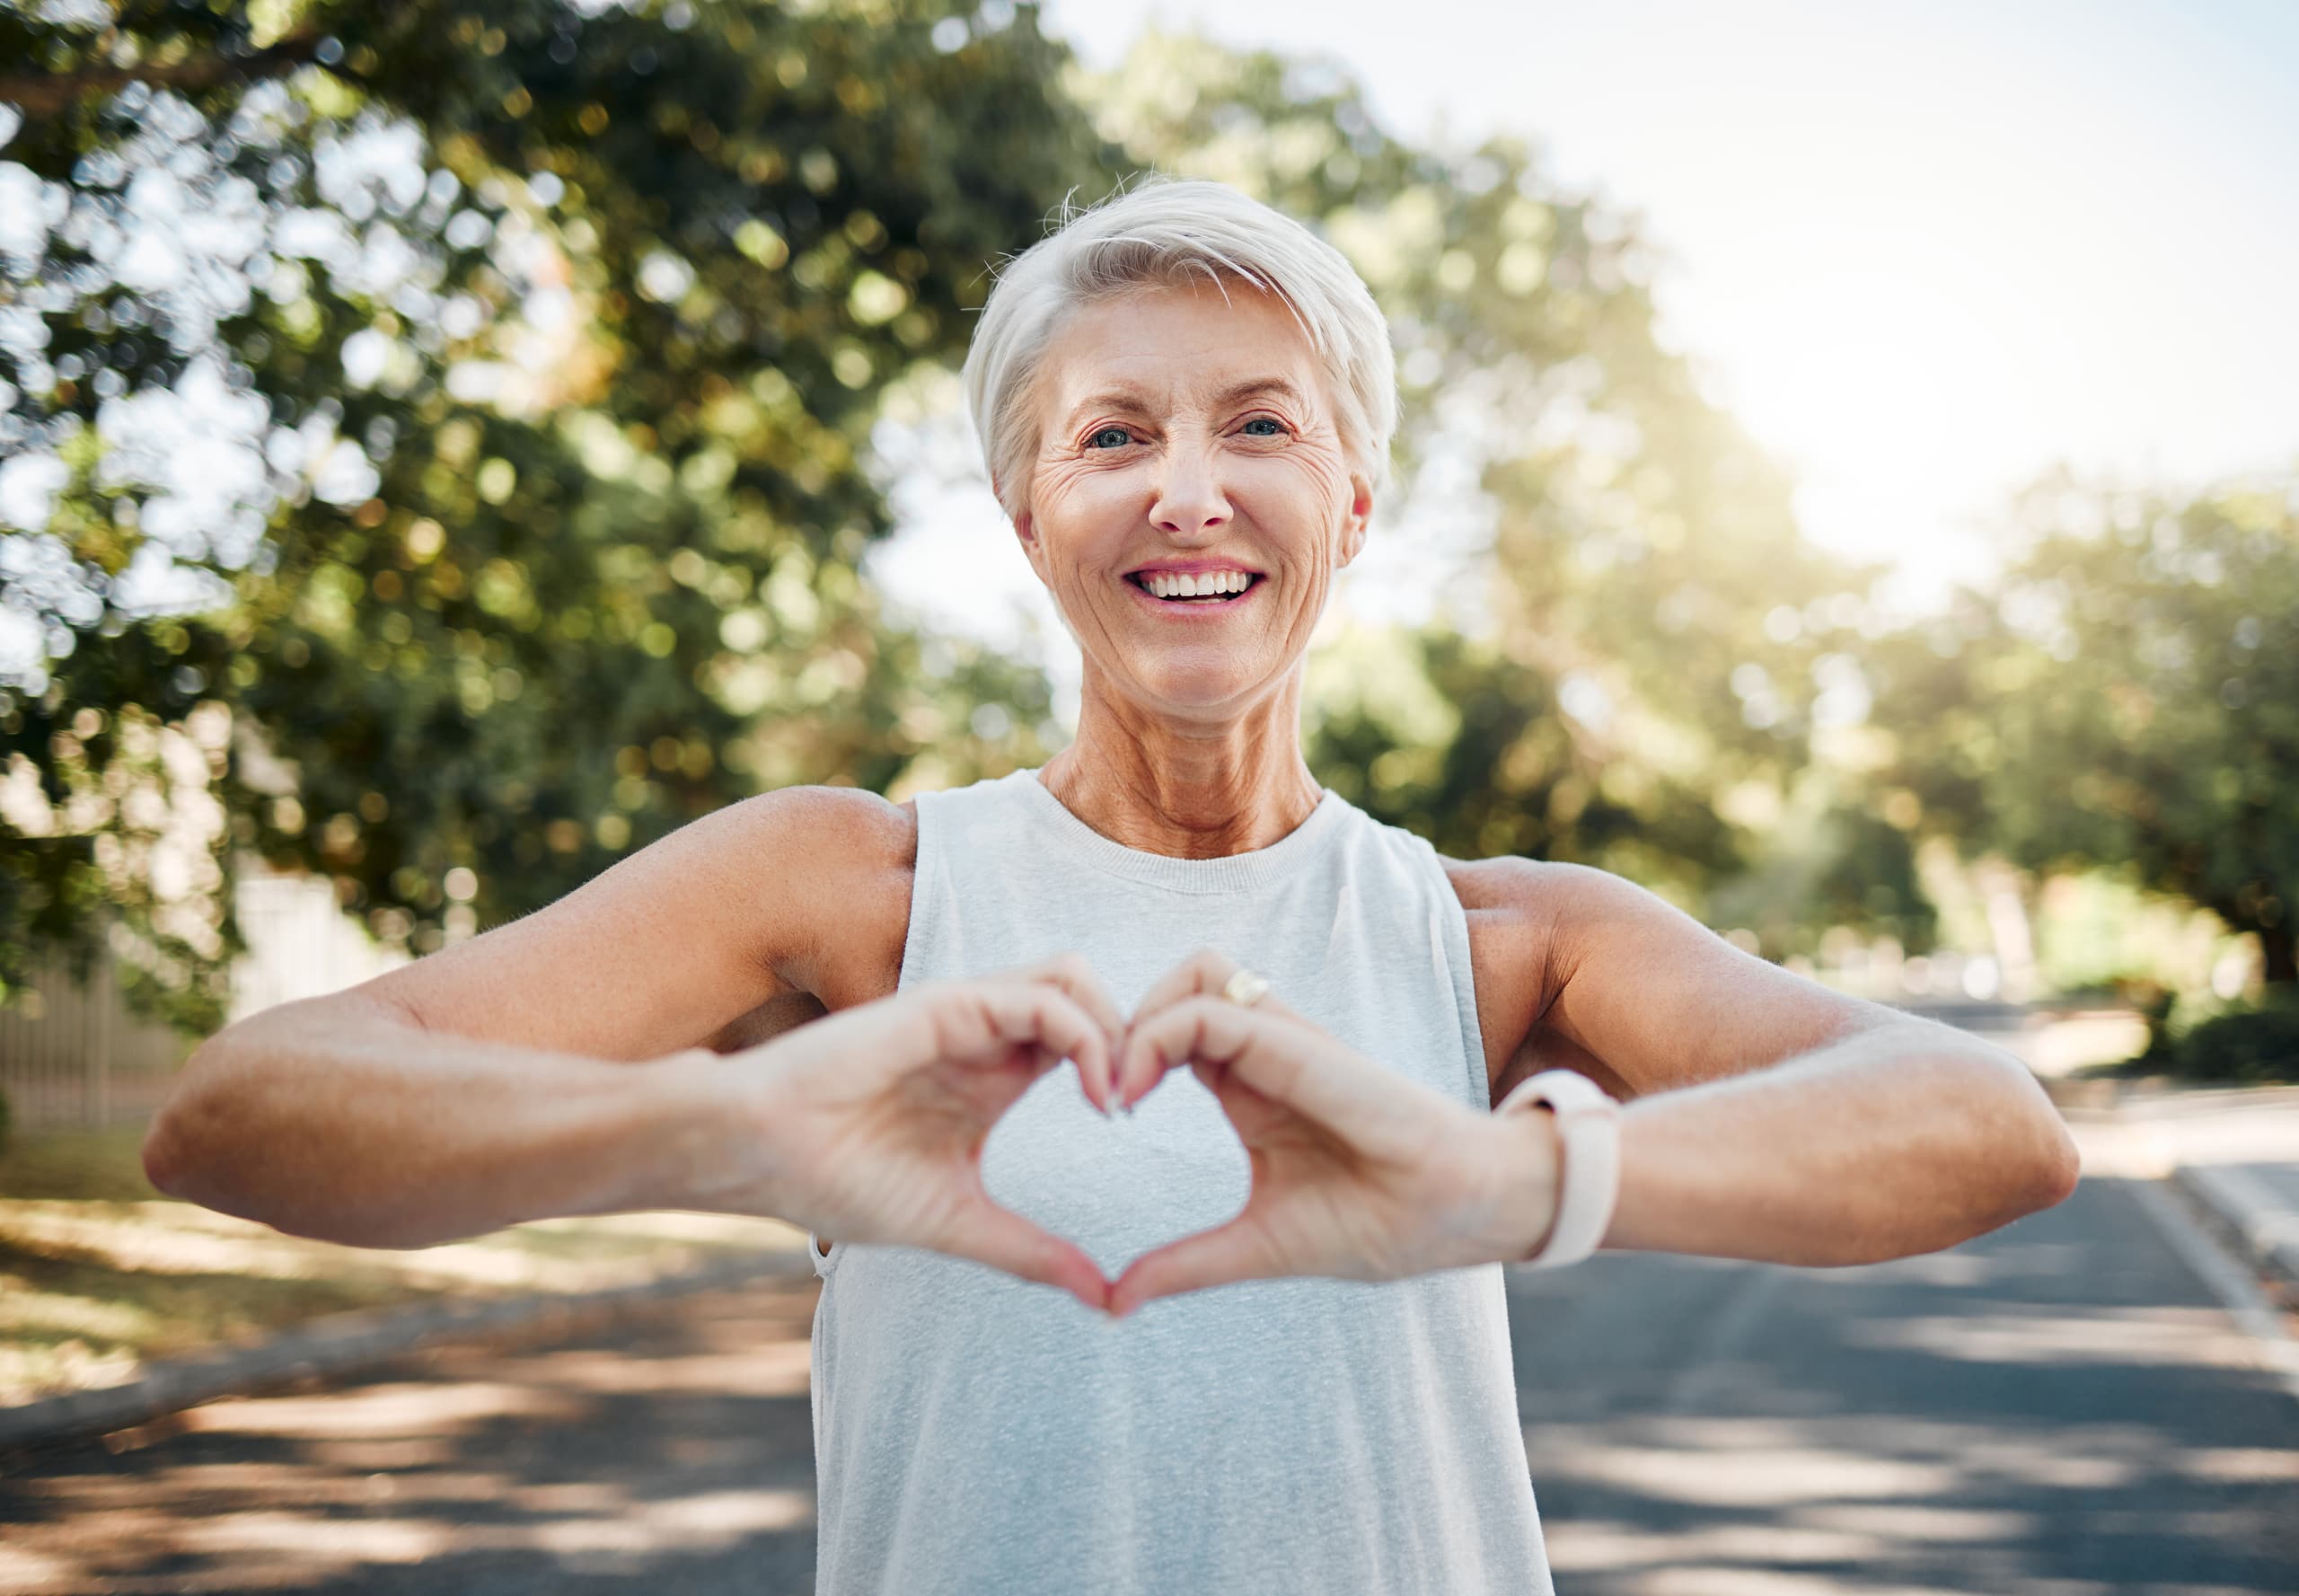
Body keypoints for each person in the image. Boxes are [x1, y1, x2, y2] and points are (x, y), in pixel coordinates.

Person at [143, 173, 2083, 1595]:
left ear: (1349, 502)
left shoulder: (1499, 941)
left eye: (1259, 424)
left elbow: (1984, 1126)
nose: (1187, 487)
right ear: (1026, 518)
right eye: (1111, 437)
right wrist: (728, 1127)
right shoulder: (848, 891)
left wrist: (1510, 1176)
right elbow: (234, 1117)